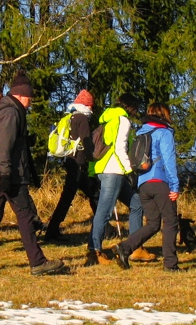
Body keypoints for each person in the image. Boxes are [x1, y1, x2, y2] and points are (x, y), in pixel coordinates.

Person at [0, 71, 67, 275]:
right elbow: (2, 145)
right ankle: (37, 262)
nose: (30, 103)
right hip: (9, 175)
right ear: (21, 95)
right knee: (25, 216)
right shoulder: (11, 113)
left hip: (0, 174)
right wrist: (5, 174)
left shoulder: (7, 110)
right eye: (29, 98)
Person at [114, 103, 182, 272]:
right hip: (160, 183)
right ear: (164, 114)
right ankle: (170, 264)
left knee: (152, 224)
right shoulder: (164, 133)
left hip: (143, 184)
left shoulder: (140, 132)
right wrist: (174, 185)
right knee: (171, 222)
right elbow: (169, 161)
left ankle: (125, 248)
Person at [85, 94, 144, 267]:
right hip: (114, 170)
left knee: (136, 204)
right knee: (104, 212)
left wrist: (91, 172)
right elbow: (120, 147)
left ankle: (133, 247)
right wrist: (129, 170)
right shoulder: (122, 120)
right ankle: (94, 250)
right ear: (131, 107)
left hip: (104, 169)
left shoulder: (107, 119)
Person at [45, 89, 99, 241]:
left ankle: (53, 229)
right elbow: (86, 141)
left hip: (70, 160)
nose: (92, 109)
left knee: (89, 194)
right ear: (87, 105)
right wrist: (92, 158)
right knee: (83, 195)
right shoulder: (82, 118)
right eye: (91, 105)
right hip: (78, 162)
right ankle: (52, 230)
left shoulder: (70, 117)